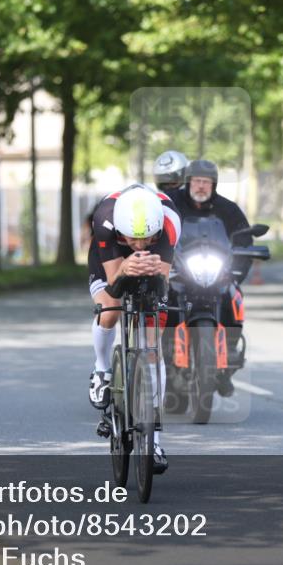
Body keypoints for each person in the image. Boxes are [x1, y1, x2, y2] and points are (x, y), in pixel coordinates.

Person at [87, 183, 181, 471]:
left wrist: (154, 270)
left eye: (147, 239)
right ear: (120, 230)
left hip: (156, 263)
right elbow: (114, 283)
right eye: (134, 240)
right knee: (110, 310)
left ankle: (152, 438)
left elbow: (162, 285)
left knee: (153, 342)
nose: (140, 246)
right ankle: (102, 368)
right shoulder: (105, 220)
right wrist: (126, 269)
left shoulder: (169, 221)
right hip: (112, 261)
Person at [169, 159, 252, 397]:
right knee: (163, 300)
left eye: (206, 182)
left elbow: (244, 239)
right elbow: (158, 228)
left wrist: (236, 270)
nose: (201, 186)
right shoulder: (173, 203)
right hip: (179, 273)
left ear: (214, 185)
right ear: (188, 182)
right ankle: (159, 352)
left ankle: (229, 356)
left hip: (216, 274)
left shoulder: (228, 209)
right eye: (197, 181)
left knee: (234, 297)